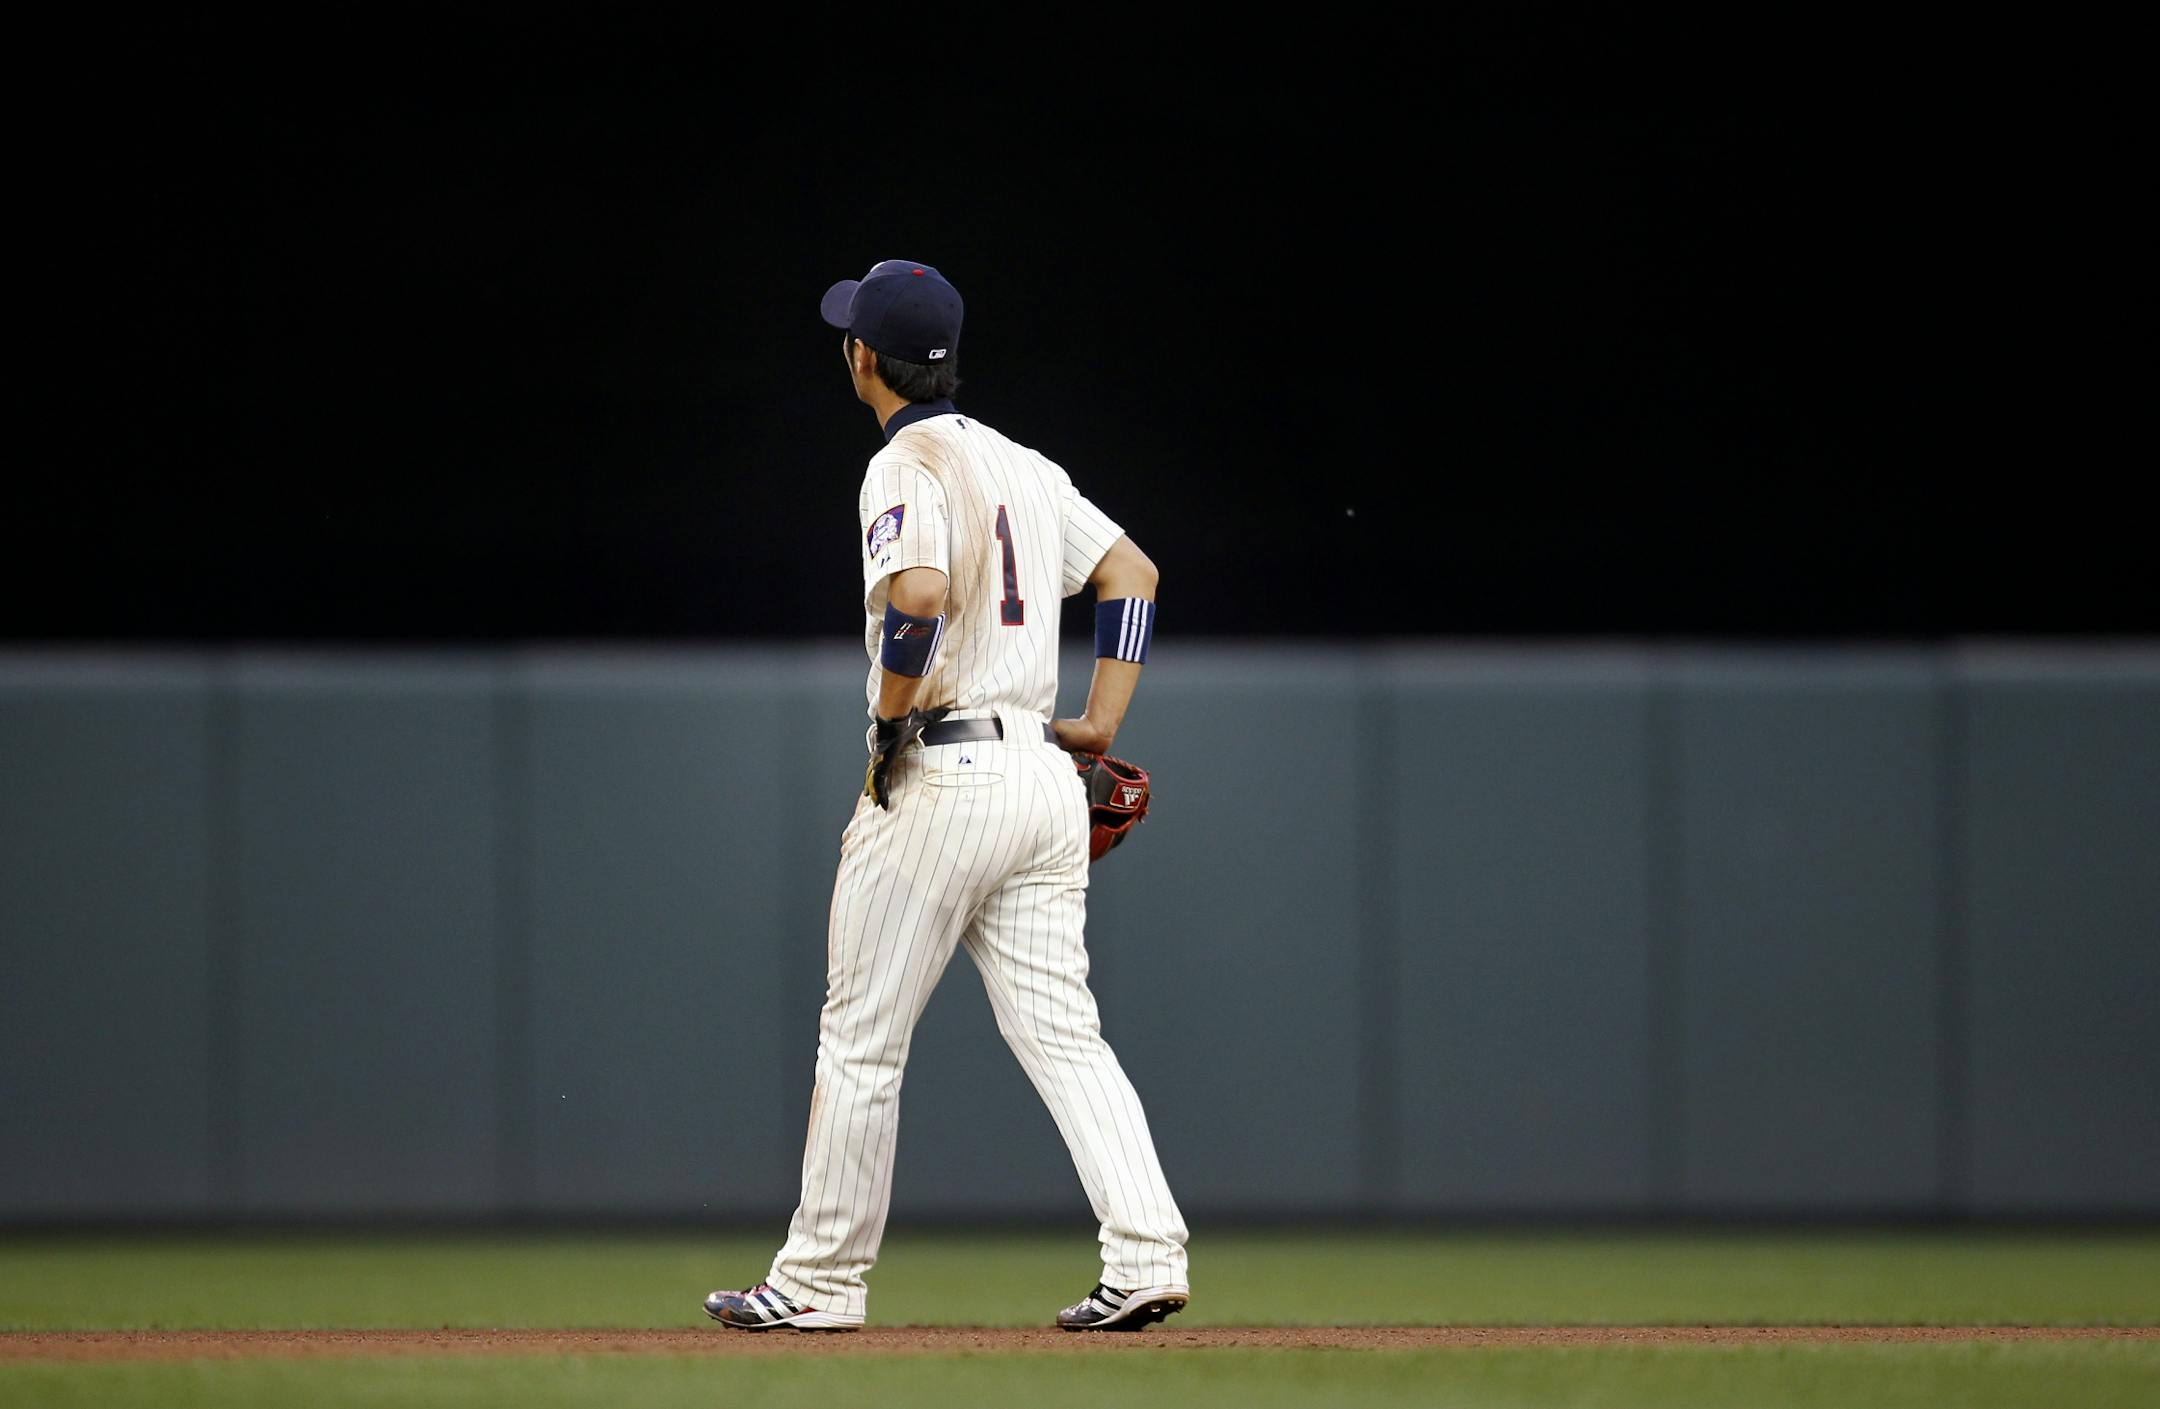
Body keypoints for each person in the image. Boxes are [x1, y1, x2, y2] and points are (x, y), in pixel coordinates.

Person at [702, 259, 1189, 1333]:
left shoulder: (900, 463)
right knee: (1065, 1031)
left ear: (861, 358)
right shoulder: (1026, 465)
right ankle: (1147, 1251)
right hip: (1040, 777)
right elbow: (1136, 576)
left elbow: (918, 594)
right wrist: (1100, 721)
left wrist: (886, 721)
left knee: (862, 1038)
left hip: (941, 765)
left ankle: (821, 1280)